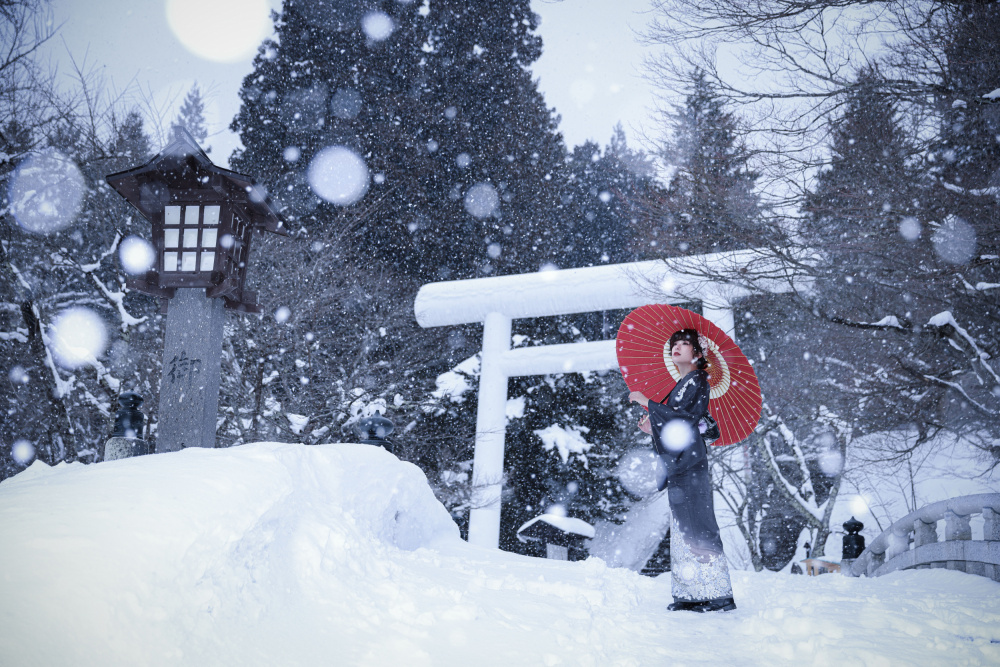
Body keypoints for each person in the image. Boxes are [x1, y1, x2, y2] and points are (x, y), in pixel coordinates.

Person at [628, 328, 736, 613]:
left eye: (685, 344)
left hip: (689, 463)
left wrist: (647, 403)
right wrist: (653, 426)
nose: (677, 347)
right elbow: (678, 425)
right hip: (683, 464)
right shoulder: (684, 383)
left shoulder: (697, 379)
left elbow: (685, 418)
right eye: (674, 344)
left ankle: (717, 593)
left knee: (698, 524)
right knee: (684, 527)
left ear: (698, 354)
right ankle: (692, 593)